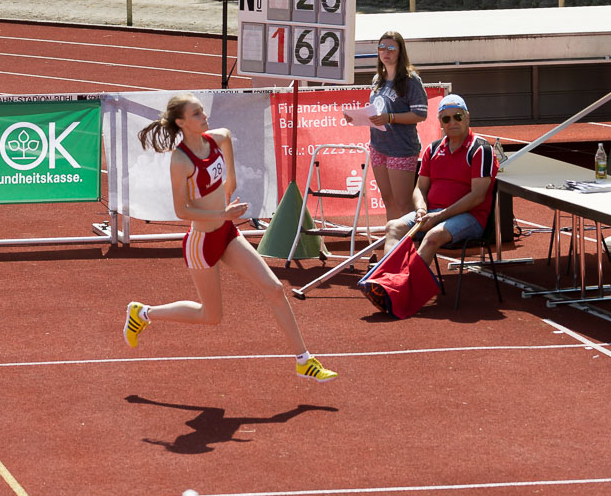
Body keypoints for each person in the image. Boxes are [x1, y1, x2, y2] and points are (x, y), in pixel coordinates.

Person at [124, 93, 337, 382]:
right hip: (202, 243)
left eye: (202, 111)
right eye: (196, 114)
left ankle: (303, 360)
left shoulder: (217, 138)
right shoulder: (180, 161)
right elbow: (181, 210)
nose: (204, 116)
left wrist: (231, 181)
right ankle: (143, 313)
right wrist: (223, 214)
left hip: (227, 233)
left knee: (274, 289)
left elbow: (227, 149)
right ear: (181, 122)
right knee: (211, 316)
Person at [383, 94, 497, 270]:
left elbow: (477, 197)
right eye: (446, 118)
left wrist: (439, 216)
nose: (452, 122)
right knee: (393, 227)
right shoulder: (433, 149)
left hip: (470, 217)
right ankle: (390, 277)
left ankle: (408, 286)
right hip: (433, 213)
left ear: (467, 117)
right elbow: (420, 188)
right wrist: (421, 209)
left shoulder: (480, 149)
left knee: (432, 236)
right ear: (440, 122)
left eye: (458, 117)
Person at [347, 31, 428, 221]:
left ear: (400, 52)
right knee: (388, 200)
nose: (386, 52)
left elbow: (420, 114)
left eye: (391, 48)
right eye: (382, 48)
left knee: (403, 203)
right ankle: (393, 242)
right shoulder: (378, 80)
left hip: (401, 149)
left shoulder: (411, 80)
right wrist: (357, 117)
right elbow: (376, 113)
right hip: (379, 147)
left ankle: (408, 246)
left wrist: (389, 118)